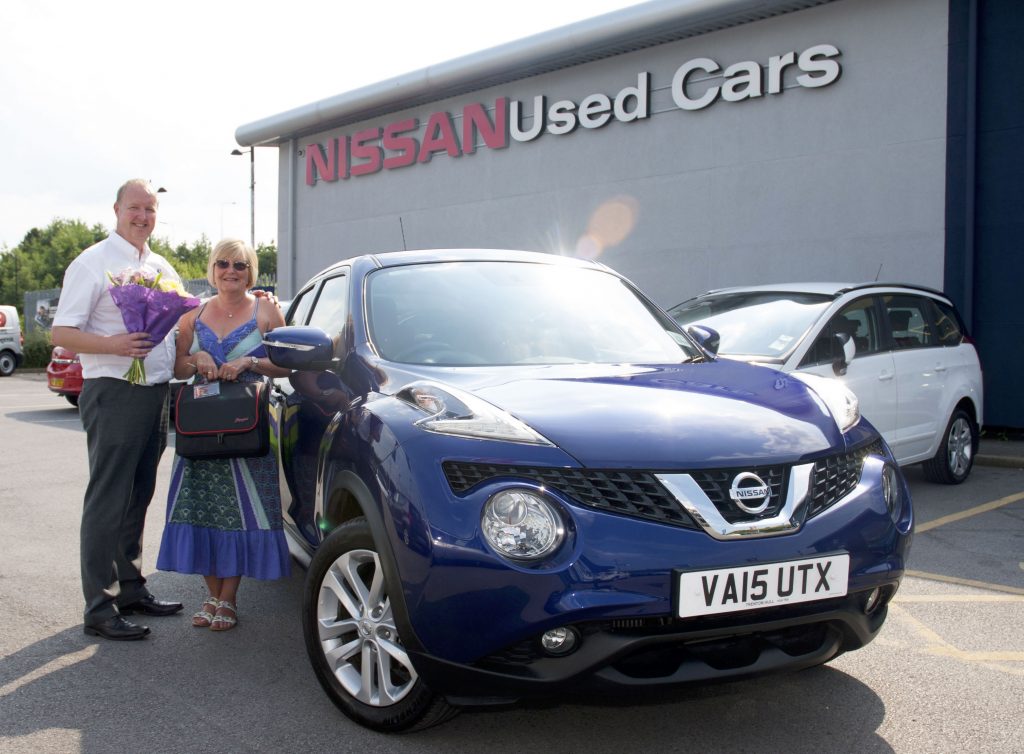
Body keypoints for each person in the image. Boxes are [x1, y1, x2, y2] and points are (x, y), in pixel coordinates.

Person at [51, 179, 186, 641]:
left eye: (150, 209)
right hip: (113, 389)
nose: (143, 216)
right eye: (135, 208)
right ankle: (99, 606)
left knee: (139, 494)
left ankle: (130, 588)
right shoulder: (92, 263)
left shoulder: (161, 265)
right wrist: (113, 344)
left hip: (155, 390)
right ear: (116, 209)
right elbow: (61, 332)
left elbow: (182, 320)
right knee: (108, 498)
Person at [156, 239, 292, 632]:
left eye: (240, 264)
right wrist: (195, 358)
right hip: (199, 431)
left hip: (246, 430)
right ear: (211, 269)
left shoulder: (265, 310)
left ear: (251, 271)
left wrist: (250, 360)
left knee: (243, 512)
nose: (230, 271)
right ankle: (211, 595)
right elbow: (179, 369)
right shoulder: (192, 315)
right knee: (198, 509)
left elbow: (286, 365)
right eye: (222, 264)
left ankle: (228, 598)